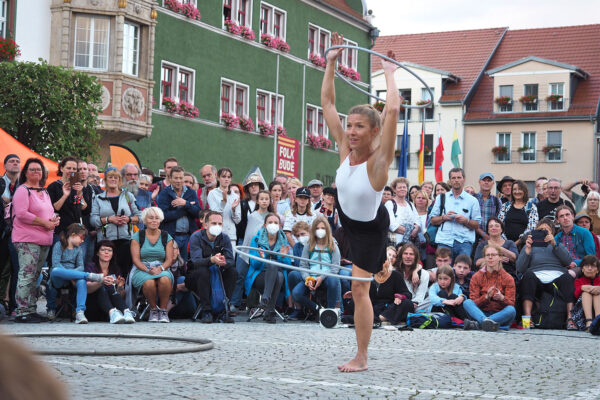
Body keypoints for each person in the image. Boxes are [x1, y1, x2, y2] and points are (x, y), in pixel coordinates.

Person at [322, 32, 400, 372]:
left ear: (373, 132)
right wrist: (330, 63)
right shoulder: (344, 148)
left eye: (359, 127)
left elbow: (393, 109)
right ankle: (381, 263)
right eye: (349, 125)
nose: (351, 131)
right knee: (356, 282)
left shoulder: (378, 164)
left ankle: (362, 357)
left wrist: (390, 73)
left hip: (369, 229)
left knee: (358, 287)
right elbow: (327, 105)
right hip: (346, 224)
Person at [12, 158, 60, 323]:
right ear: (25, 172)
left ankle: (31, 309)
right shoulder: (22, 190)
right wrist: (45, 222)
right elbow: (21, 214)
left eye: (39, 170)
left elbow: (48, 212)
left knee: (35, 276)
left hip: (44, 239)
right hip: (27, 239)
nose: (36, 172)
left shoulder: (44, 191)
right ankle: (22, 310)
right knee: (26, 274)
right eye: (32, 170)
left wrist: (53, 220)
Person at [516, 219, 575, 329]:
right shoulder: (529, 246)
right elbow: (520, 268)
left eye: (546, 230)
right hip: (536, 278)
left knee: (568, 277)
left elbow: (568, 261)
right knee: (528, 275)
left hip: (557, 278)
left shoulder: (557, 245)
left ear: (552, 233)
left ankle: (570, 319)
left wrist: (554, 244)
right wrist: (528, 250)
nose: (543, 232)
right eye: (540, 230)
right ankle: (528, 318)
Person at [46, 223, 104, 324]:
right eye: (81, 237)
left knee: (81, 281)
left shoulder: (78, 249)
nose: (82, 241)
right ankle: (89, 276)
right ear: (73, 235)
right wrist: (68, 273)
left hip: (74, 277)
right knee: (55, 270)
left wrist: (72, 274)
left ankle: (80, 312)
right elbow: (56, 264)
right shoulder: (59, 245)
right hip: (59, 276)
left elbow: (81, 266)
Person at [187, 211, 237, 323]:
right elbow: (196, 261)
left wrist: (224, 262)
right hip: (195, 276)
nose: (217, 226)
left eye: (220, 223)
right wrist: (211, 260)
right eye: (214, 223)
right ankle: (206, 311)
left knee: (232, 272)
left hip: (218, 273)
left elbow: (231, 260)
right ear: (205, 225)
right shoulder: (196, 237)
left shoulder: (225, 238)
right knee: (203, 271)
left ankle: (224, 310)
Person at [90, 168, 140, 276]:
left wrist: (129, 219)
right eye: (110, 177)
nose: (113, 180)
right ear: (105, 180)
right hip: (105, 241)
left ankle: (122, 291)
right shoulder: (98, 198)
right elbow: (93, 221)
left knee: (125, 271)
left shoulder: (128, 196)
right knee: (106, 271)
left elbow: (139, 217)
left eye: (116, 177)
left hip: (125, 240)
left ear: (120, 180)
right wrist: (109, 219)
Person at [130, 207, 175, 323]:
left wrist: (160, 268)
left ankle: (164, 311)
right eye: (151, 218)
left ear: (160, 220)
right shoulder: (137, 236)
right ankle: (153, 310)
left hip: (162, 267)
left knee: (164, 279)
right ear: (145, 221)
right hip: (142, 268)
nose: (154, 221)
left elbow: (169, 259)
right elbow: (135, 260)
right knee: (149, 282)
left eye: (157, 218)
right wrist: (148, 270)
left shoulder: (166, 237)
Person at [231, 190, 273, 311]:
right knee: (240, 275)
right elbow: (249, 234)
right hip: (247, 250)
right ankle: (234, 302)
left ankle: (255, 305)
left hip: (262, 252)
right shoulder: (252, 216)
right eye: (262, 199)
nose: (264, 201)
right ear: (258, 201)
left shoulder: (271, 216)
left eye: (267, 199)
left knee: (255, 278)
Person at [245, 213, 291, 323]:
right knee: (273, 266)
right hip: (259, 276)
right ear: (265, 225)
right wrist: (261, 258)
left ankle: (267, 305)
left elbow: (287, 264)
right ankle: (268, 307)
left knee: (278, 274)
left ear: (280, 226)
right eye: (270, 222)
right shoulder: (256, 240)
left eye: (276, 222)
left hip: (276, 277)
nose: (273, 225)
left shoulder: (284, 241)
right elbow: (253, 263)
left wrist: (283, 257)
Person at [429, 168, 482, 260]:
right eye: (453, 178)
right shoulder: (441, 198)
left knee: (462, 272)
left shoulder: (472, 200)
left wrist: (466, 220)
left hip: (464, 242)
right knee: (443, 272)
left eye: (459, 177)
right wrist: (444, 217)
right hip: (444, 241)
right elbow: (433, 221)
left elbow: (477, 224)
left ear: (464, 179)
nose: (456, 180)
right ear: (450, 180)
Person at [293, 217, 342, 313]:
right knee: (296, 293)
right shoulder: (309, 245)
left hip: (327, 277)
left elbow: (335, 267)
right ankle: (317, 309)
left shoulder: (332, 245)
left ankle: (331, 311)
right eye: (317, 228)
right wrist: (308, 278)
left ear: (327, 229)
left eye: (323, 228)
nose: (320, 231)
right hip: (311, 277)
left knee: (334, 279)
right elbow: (303, 265)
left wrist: (322, 277)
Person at [463, 244, 516, 331]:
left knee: (511, 310)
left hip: (500, 314)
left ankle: (479, 324)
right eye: (488, 255)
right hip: (480, 313)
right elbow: (474, 302)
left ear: (500, 257)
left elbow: (511, 303)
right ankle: (486, 322)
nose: (490, 258)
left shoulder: (508, 278)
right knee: (467, 302)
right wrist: (486, 297)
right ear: (484, 258)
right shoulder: (477, 276)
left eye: (494, 255)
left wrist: (502, 298)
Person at [85, 240, 135, 323]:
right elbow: (87, 288)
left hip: (111, 308)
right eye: (103, 250)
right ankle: (113, 313)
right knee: (102, 287)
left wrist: (120, 287)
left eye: (109, 250)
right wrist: (101, 281)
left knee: (112, 289)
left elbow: (120, 295)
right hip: (93, 306)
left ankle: (126, 312)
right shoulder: (91, 267)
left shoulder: (115, 269)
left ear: (112, 254)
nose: (106, 252)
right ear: (97, 253)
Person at [157, 166, 201, 256]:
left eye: (181, 178)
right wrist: (185, 210)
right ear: (170, 178)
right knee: (172, 263)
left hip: (189, 236)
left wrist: (185, 203)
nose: (178, 181)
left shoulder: (191, 192)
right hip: (172, 236)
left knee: (186, 264)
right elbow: (163, 216)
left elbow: (198, 213)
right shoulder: (164, 193)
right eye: (176, 178)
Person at [47, 156, 86, 240]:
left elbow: (83, 207)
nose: (72, 171)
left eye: (74, 169)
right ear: (62, 168)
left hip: (76, 232)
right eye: (69, 168)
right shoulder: (53, 186)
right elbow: (54, 208)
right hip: (59, 231)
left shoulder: (78, 186)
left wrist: (79, 194)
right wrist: (65, 195)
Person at [0, 154, 20, 315]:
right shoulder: (0, 183)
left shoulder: (23, 185)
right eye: (11, 161)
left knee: (16, 269)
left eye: (17, 161)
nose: (15, 164)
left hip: (18, 233)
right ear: (5, 166)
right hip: (2, 232)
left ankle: (14, 306)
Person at [369, 254, 414, 325]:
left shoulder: (395, 275)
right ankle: (373, 318)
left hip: (390, 307)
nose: (381, 264)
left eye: (384, 261)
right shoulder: (369, 277)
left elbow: (407, 294)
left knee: (407, 303)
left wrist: (399, 297)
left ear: (388, 262)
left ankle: (379, 318)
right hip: (372, 308)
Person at [554, 205, 595, 273]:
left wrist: (576, 263)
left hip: (582, 266)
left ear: (573, 216)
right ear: (558, 220)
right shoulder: (557, 237)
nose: (565, 218)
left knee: (569, 274)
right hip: (561, 267)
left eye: (567, 214)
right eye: (561, 216)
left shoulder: (585, 232)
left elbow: (591, 256)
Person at [207, 167, 241, 246]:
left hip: (231, 235)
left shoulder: (235, 196)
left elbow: (238, 220)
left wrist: (233, 210)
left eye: (229, 177)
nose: (226, 179)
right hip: (216, 233)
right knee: (217, 257)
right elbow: (214, 215)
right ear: (218, 178)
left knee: (230, 257)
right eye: (224, 176)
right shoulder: (212, 193)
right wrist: (223, 202)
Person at [498, 180, 539, 244]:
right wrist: (506, 243)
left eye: (520, 189)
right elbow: (499, 225)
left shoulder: (531, 207)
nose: (517, 192)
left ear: (524, 191)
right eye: (514, 189)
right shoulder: (505, 206)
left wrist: (517, 243)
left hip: (524, 244)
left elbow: (532, 228)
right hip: (505, 244)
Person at [385, 177, 420, 247]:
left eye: (404, 187)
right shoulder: (390, 204)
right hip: (395, 242)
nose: (402, 189)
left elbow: (418, 221)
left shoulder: (410, 204)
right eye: (399, 187)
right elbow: (392, 225)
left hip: (411, 243)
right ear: (394, 190)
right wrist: (410, 232)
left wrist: (416, 230)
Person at [395, 243, 430, 312]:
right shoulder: (395, 272)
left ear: (416, 257)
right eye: (405, 253)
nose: (408, 256)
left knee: (431, 299)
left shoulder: (424, 274)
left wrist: (411, 304)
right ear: (401, 256)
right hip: (397, 303)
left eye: (411, 254)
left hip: (416, 306)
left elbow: (419, 297)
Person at [571, 255, 600, 331]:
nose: (589, 268)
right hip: (583, 313)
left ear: (597, 270)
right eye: (587, 266)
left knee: (597, 293)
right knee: (586, 293)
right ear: (582, 269)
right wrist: (582, 288)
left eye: (593, 266)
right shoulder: (579, 281)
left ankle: (598, 321)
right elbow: (575, 295)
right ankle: (589, 322)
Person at [474, 172, 502, 241]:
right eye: (484, 180)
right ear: (479, 182)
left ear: (493, 183)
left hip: (491, 238)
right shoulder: (472, 199)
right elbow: (468, 220)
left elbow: (499, 221)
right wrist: (483, 234)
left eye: (489, 181)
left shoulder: (497, 201)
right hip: (473, 237)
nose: (486, 182)